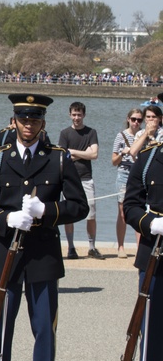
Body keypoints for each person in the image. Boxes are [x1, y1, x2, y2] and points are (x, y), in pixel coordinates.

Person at [0, 93, 88, 361]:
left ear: (43, 123)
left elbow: (79, 206)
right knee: (1, 328)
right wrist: (6, 220)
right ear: (14, 121)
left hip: (42, 255)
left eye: (35, 120)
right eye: (23, 120)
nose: (29, 125)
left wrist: (47, 211)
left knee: (43, 330)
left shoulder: (59, 159)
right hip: (5, 255)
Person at [122, 133, 163, 361]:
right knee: (152, 334)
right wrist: (150, 223)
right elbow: (131, 206)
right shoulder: (148, 159)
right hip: (155, 255)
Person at [59, 102, 102, 259]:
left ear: (84, 115)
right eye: (74, 114)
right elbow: (63, 156)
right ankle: (71, 247)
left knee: (91, 214)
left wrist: (74, 152)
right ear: (70, 115)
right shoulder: (65, 133)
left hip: (86, 178)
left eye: (79, 114)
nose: (77, 117)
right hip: (69, 179)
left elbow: (94, 155)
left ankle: (92, 246)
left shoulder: (91, 132)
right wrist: (85, 152)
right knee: (68, 214)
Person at [113, 108, 143, 258]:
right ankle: (120, 246)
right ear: (128, 119)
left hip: (139, 175)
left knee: (140, 211)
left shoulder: (143, 135)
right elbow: (113, 161)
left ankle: (139, 248)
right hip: (124, 173)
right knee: (123, 213)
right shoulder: (121, 136)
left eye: (139, 120)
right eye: (134, 119)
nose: (136, 122)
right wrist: (121, 153)